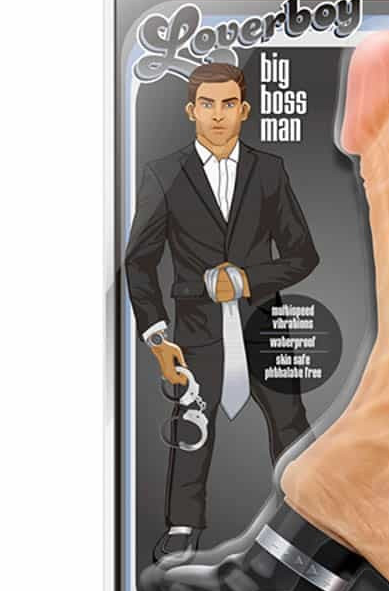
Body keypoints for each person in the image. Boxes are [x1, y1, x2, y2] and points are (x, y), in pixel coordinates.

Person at [125, 62, 319, 560]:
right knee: (192, 425)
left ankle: (310, 518)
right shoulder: (163, 174)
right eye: (207, 104)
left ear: (245, 110)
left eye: (228, 104)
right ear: (190, 111)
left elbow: (303, 255)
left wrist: (248, 279)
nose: (217, 115)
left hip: (265, 327)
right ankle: (183, 525)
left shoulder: (270, 170)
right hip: (194, 330)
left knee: (291, 423)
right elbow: (139, 261)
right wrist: (156, 337)